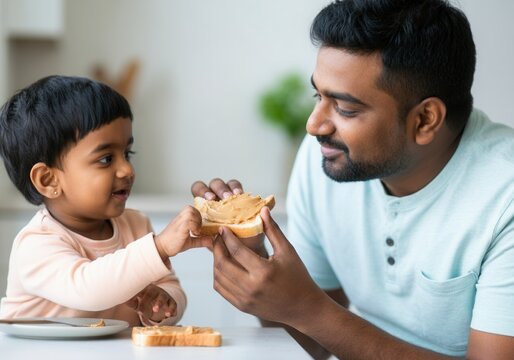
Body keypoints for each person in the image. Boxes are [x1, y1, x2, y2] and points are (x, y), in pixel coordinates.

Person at [191, 0, 514, 358]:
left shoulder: (504, 197)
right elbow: (312, 341)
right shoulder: (324, 160)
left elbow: (315, 316)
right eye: (318, 95)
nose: (314, 125)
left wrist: (309, 309)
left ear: (425, 120)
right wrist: (256, 260)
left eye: (345, 108)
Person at [0, 75, 211, 326]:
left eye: (127, 153)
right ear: (48, 180)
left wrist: (161, 306)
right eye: (106, 159)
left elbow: (171, 288)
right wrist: (160, 248)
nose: (127, 170)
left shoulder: (136, 225)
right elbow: (87, 287)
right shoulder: (35, 244)